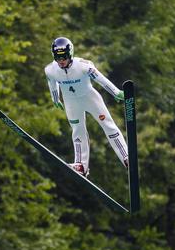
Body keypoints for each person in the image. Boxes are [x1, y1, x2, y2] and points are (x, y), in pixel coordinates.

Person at [44, 36, 128, 177]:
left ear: (70, 54)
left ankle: (126, 157)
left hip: (90, 98)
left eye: (64, 57)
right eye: (58, 58)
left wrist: (116, 93)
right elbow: (51, 83)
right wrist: (55, 98)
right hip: (71, 103)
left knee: (108, 125)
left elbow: (101, 79)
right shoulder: (50, 70)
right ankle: (81, 166)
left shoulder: (84, 66)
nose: (61, 61)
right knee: (77, 131)